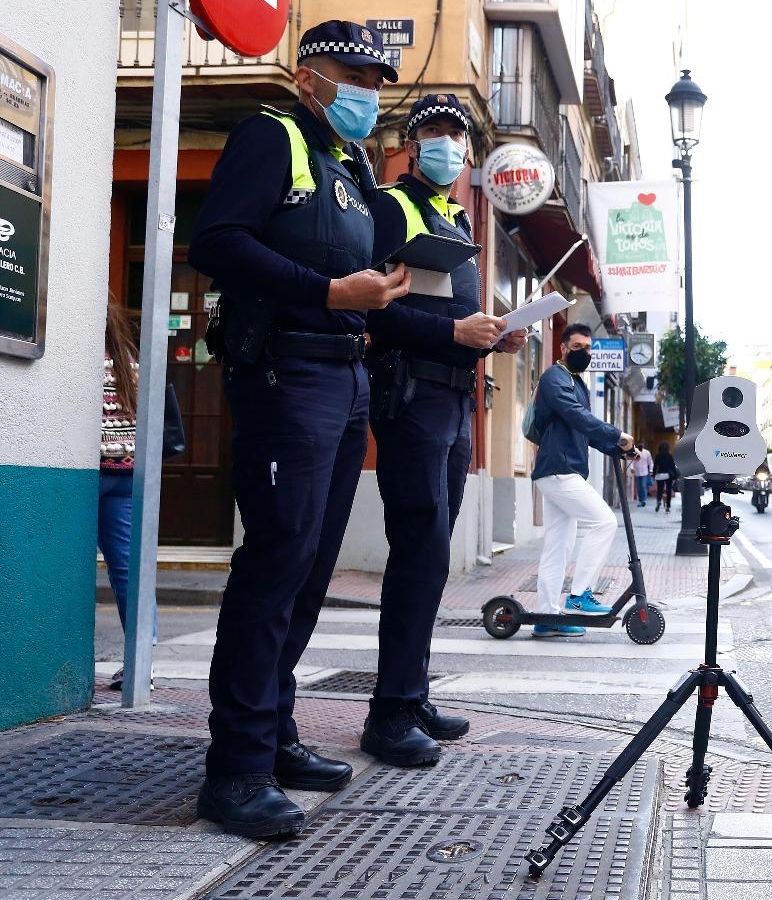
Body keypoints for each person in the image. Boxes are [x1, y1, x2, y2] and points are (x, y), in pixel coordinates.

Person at [188, 21, 408, 839]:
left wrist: (377, 294)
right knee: (276, 562)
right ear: (310, 72)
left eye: (378, 79)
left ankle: (275, 734)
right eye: (356, 73)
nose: (369, 91)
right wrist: (327, 295)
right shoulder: (270, 135)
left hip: (342, 377)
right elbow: (217, 242)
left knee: (311, 568)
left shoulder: (347, 165)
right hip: (286, 372)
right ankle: (236, 770)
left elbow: (351, 273)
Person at [361, 94, 526, 767]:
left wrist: (490, 337)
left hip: (455, 401)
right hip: (413, 396)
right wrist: (455, 332)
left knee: (432, 555)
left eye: (457, 137)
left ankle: (412, 691)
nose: (449, 146)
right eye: (434, 133)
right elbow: (377, 306)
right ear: (409, 141)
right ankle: (390, 714)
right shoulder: (390, 208)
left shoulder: (455, 217)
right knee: (418, 549)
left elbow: (451, 316)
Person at [529, 324, 634, 637]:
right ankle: (580, 594)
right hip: (558, 469)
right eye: (577, 346)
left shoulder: (577, 383)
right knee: (604, 522)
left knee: (557, 547)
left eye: (588, 348)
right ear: (563, 347)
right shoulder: (555, 378)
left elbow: (583, 431)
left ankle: (547, 616)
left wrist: (618, 447)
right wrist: (616, 434)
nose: (584, 353)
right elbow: (575, 415)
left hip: (564, 470)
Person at [100, 301, 154, 690]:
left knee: (68, 563)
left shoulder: (80, 361)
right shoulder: (128, 364)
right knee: (128, 569)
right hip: (127, 473)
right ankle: (141, 663)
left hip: (90, 474)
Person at [654, 441, 678, 512]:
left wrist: (654, 474)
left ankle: (659, 501)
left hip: (660, 475)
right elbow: (673, 466)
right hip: (668, 475)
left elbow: (655, 466)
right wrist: (675, 475)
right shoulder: (669, 456)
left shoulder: (658, 456)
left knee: (659, 490)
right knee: (668, 490)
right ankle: (668, 506)